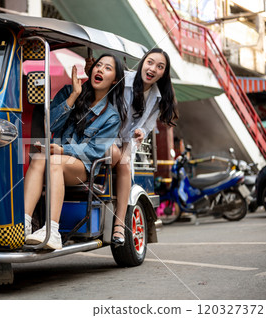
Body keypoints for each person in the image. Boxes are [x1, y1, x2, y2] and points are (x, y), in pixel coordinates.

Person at [24, 53, 125, 250]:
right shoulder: (69, 91)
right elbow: (49, 124)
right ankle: (24, 225)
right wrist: (73, 97)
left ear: (114, 80)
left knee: (54, 161)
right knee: (38, 159)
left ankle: (52, 231)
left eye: (107, 68)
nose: (100, 69)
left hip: (83, 167)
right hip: (57, 156)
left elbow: (95, 150)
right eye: (98, 65)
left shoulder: (112, 116)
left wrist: (63, 150)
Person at [110, 48, 179, 246]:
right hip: (105, 135)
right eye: (150, 62)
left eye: (160, 67)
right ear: (142, 62)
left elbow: (146, 127)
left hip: (127, 143)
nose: (153, 69)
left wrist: (140, 133)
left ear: (163, 73)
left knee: (124, 164)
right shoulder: (124, 79)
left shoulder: (158, 98)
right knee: (119, 161)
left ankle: (119, 225)